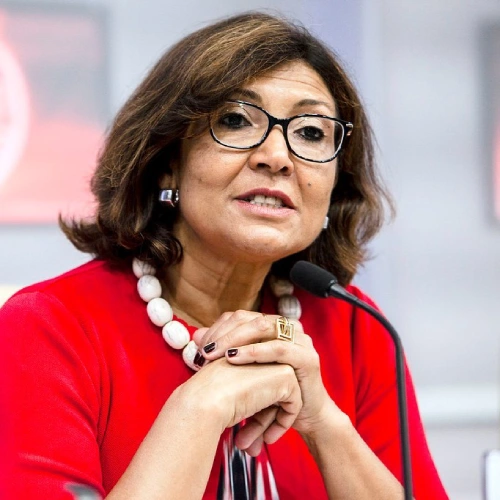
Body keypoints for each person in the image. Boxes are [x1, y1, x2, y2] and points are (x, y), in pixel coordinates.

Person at [0, 11, 449, 500]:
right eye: (235, 120)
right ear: (168, 163)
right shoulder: (50, 328)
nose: (277, 157)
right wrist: (199, 410)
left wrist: (324, 422)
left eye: (311, 132)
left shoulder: (355, 328)